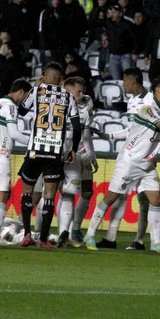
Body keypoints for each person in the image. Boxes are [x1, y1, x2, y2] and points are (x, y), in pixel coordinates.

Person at [83, 76, 160, 254]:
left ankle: (155, 242)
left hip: (146, 164)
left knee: (156, 199)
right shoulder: (149, 109)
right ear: (159, 90)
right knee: (111, 198)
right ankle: (90, 234)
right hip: (130, 161)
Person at [17, 62, 81, 248]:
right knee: (49, 195)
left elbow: (21, 111)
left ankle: (27, 235)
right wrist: (73, 149)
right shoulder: (68, 96)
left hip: (35, 150)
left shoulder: (37, 91)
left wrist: (36, 88)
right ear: (61, 79)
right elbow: (77, 127)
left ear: (44, 76)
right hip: (55, 153)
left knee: (27, 192)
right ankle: (43, 240)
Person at [92, 67, 155, 251]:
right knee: (120, 197)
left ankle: (140, 241)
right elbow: (131, 131)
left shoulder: (150, 101)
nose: (123, 84)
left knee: (144, 200)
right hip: (130, 155)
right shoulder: (132, 101)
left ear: (132, 81)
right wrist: (108, 136)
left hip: (144, 156)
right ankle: (112, 238)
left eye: (125, 81)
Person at [0, 79, 32, 245]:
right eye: (26, 98)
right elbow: (14, 133)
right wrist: (34, 142)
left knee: (2, 193)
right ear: (21, 92)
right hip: (0, 153)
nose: (25, 102)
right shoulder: (10, 106)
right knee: (2, 195)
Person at [54, 77, 97, 247]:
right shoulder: (57, 102)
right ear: (68, 90)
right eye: (79, 91)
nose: (82, 94)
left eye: (82, 91)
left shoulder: (86, 104)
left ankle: (69, 232)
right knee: (47, 194)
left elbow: (86, 135)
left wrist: (91, 156)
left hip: (77, 152)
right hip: (56, 152)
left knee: (76, 192)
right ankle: (39, 233)